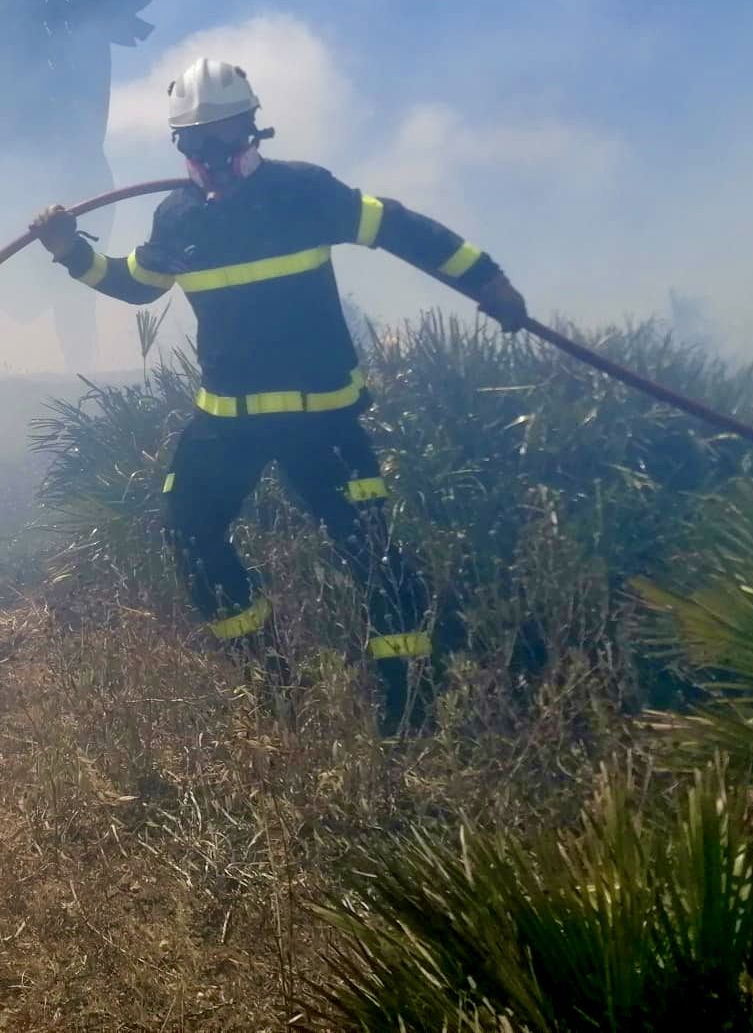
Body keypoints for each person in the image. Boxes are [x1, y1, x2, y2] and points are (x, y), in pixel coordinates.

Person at [29, 59, 528, 731]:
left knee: (374, 559)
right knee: (189, 535)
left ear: (253, 129)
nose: (210, 155)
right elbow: (138, 286)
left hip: (323, 421)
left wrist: (487, 281)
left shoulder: (307, 194)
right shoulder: (178, 219)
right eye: (194, 142)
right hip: (226, 424)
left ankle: (406, 712)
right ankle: (272, 683)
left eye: (224, 137)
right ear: (179, 146)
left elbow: (403, 229)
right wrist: (69, 252)